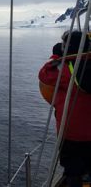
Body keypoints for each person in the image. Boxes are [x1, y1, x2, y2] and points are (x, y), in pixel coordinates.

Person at [38, 31, 91, 186]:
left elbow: (44, 74)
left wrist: (55, 56)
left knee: (72, 169)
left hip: (70, 131)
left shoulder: (63, 70)